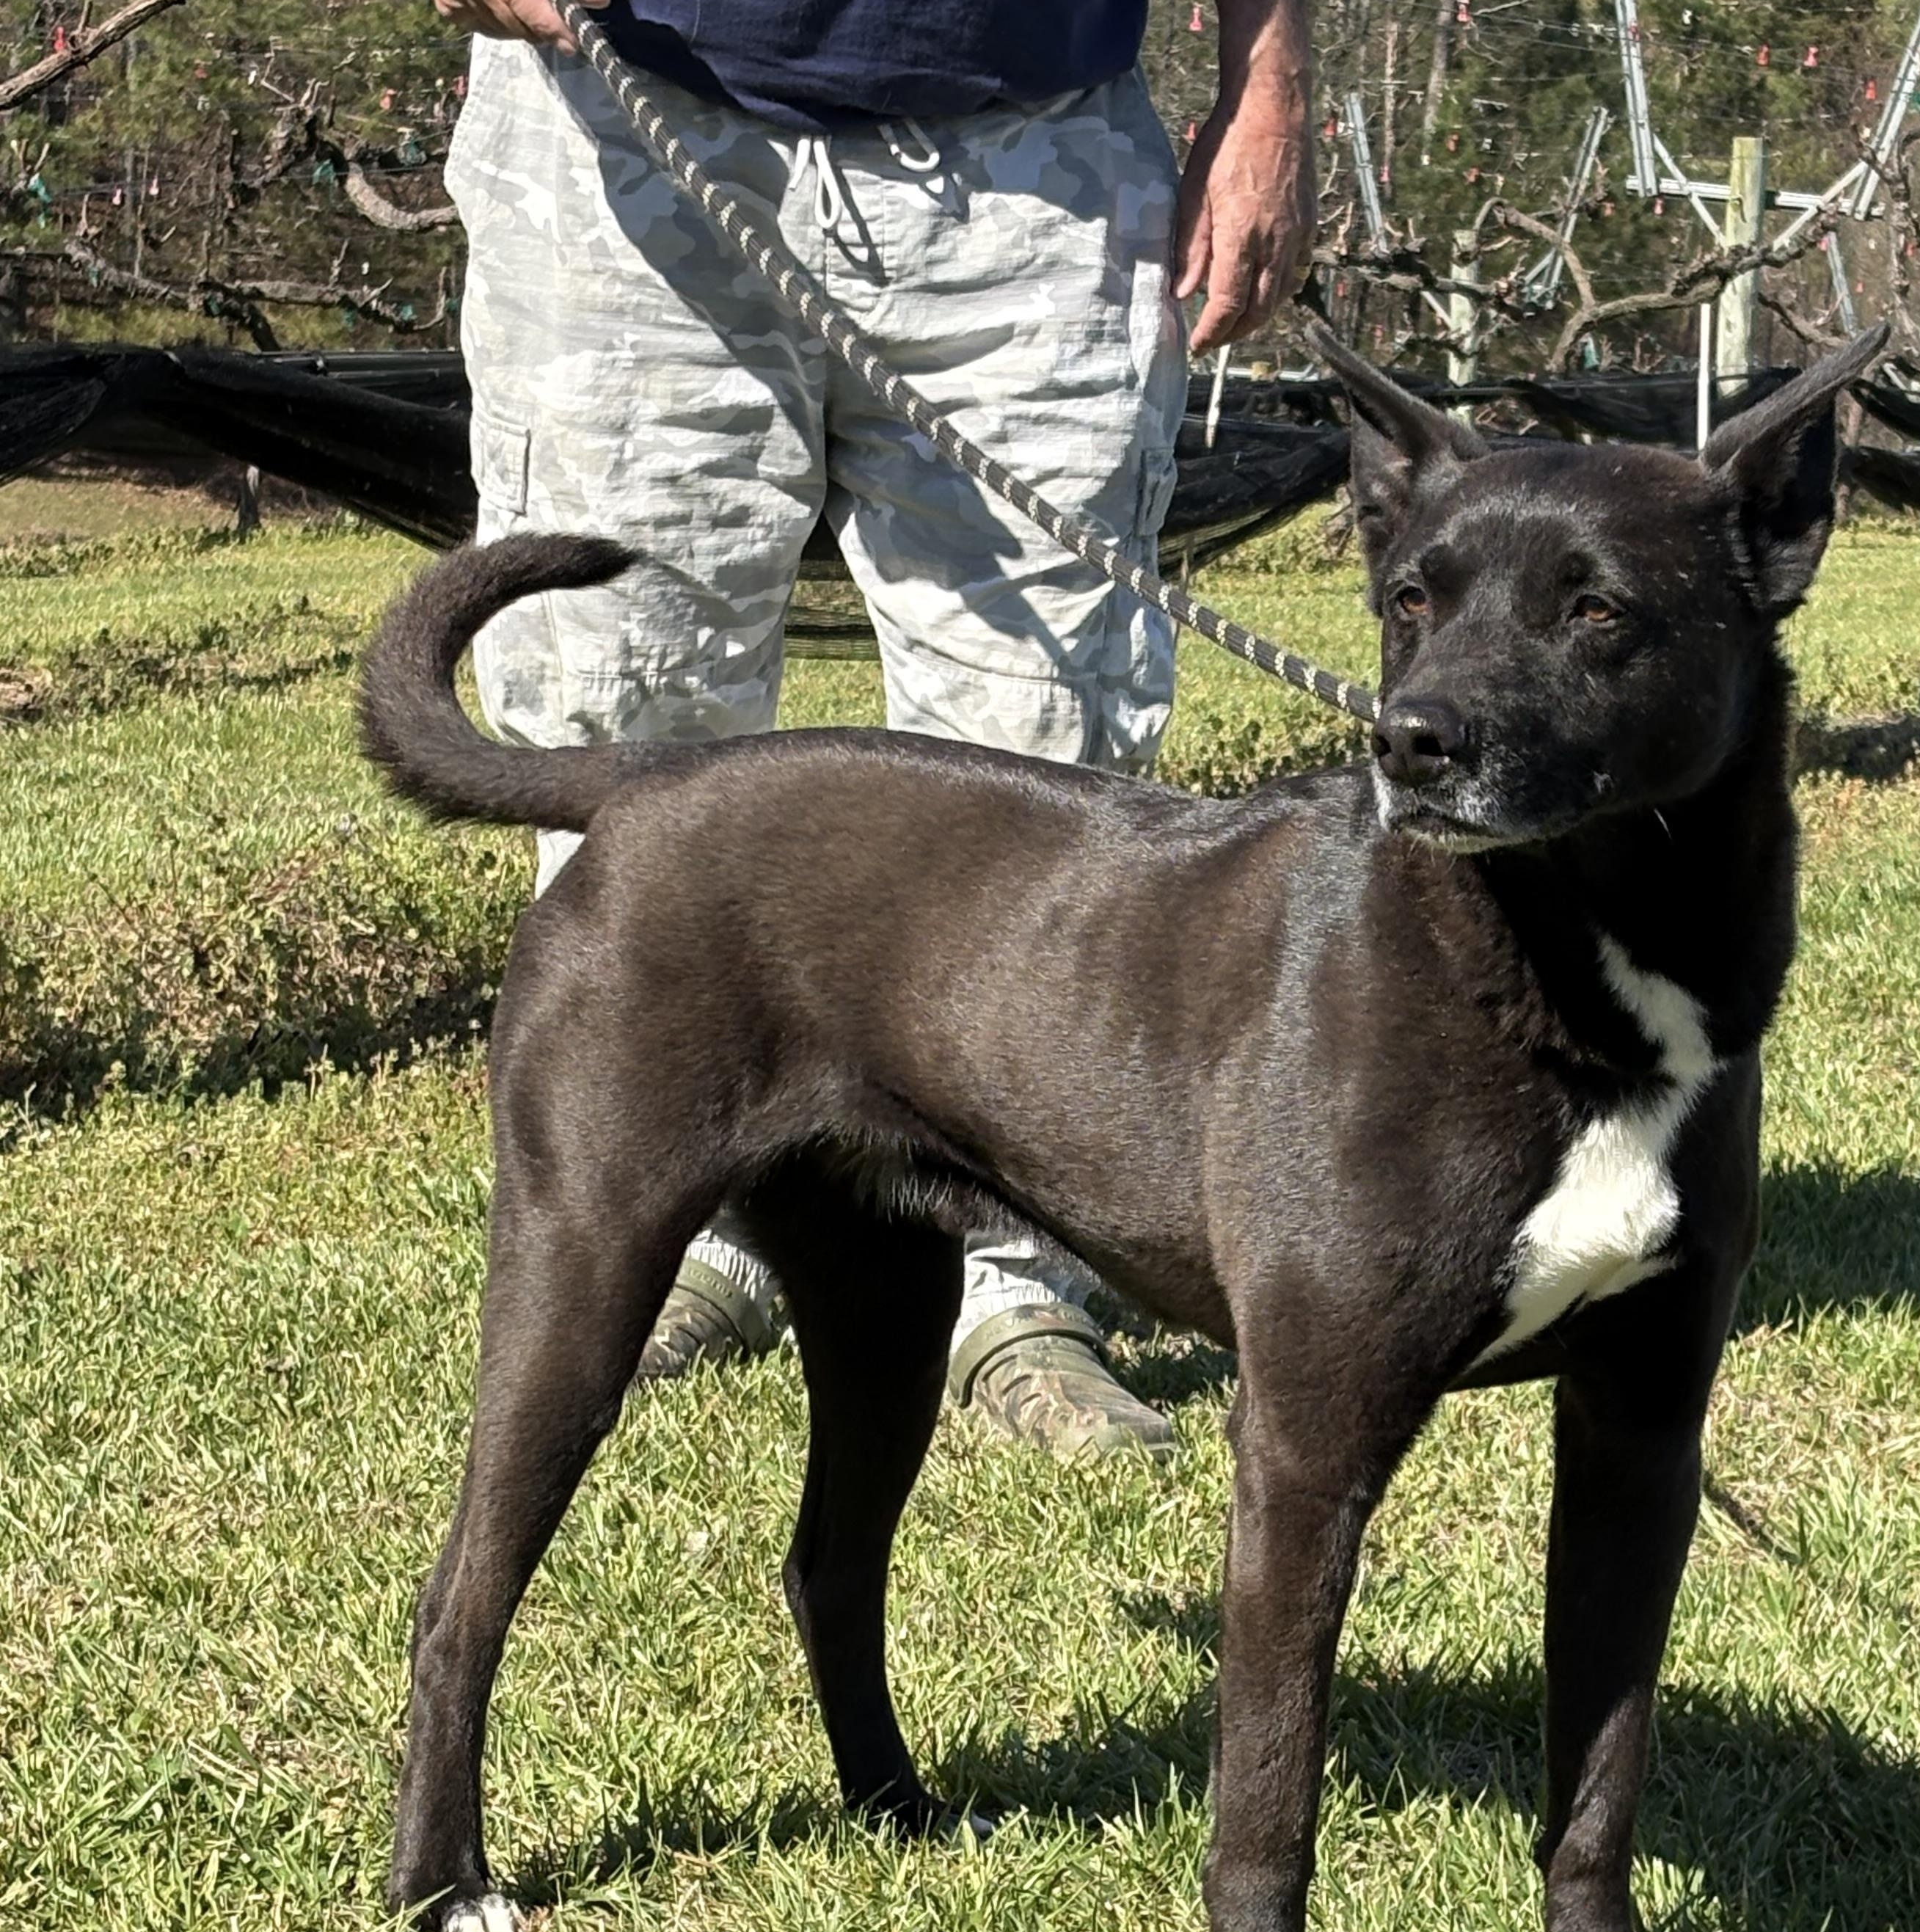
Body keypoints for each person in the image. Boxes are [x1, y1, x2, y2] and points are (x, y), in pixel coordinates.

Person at [429, 0, 1314, 1458]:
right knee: (619, 723)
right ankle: (665, 1230)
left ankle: (1016, 1286)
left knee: (1053, 764)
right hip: (622, 127)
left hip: (1039, 152)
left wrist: (1268, 93)